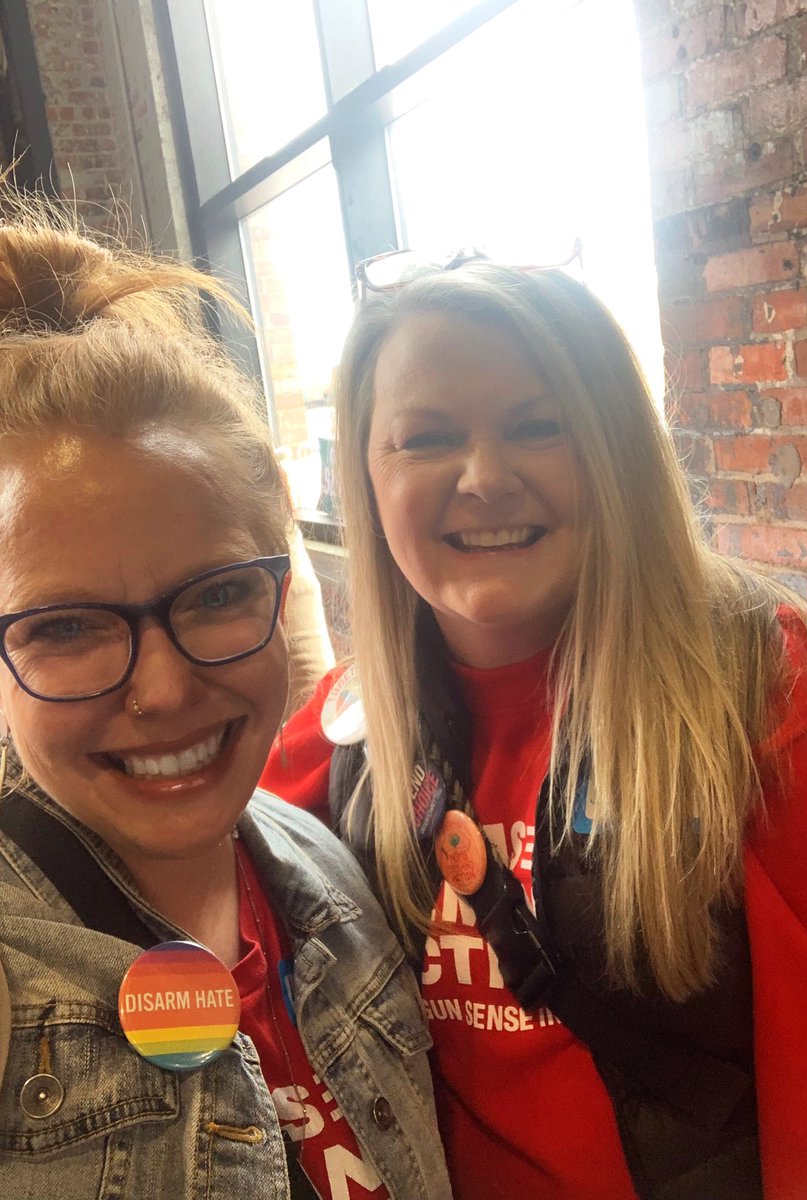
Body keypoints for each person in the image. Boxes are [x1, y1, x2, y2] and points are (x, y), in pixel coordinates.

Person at [262, 253, 807, 1200]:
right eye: (424, 439)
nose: (484, 477)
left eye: (541, 428)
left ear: (617, 452)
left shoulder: (783, 696)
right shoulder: (337, 739)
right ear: (366, 480)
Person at [0, 201, 452, 1200]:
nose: (163, 691)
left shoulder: (331, 876)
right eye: (65, 627)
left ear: (278, 587)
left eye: (214, 596)